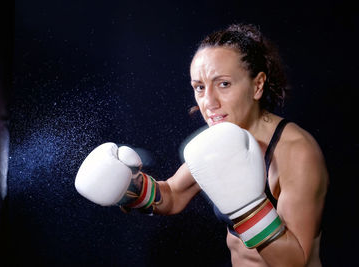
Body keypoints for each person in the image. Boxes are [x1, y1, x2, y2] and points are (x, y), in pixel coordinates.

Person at [75, 24, 329, 267]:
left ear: (257, 85)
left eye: (224, 84)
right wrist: (130, 188)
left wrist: (247, 208)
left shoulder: (296, 152)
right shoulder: (219, 142)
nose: (209, 102)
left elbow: (295, 261)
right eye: (199, 87)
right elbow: (173, 195)